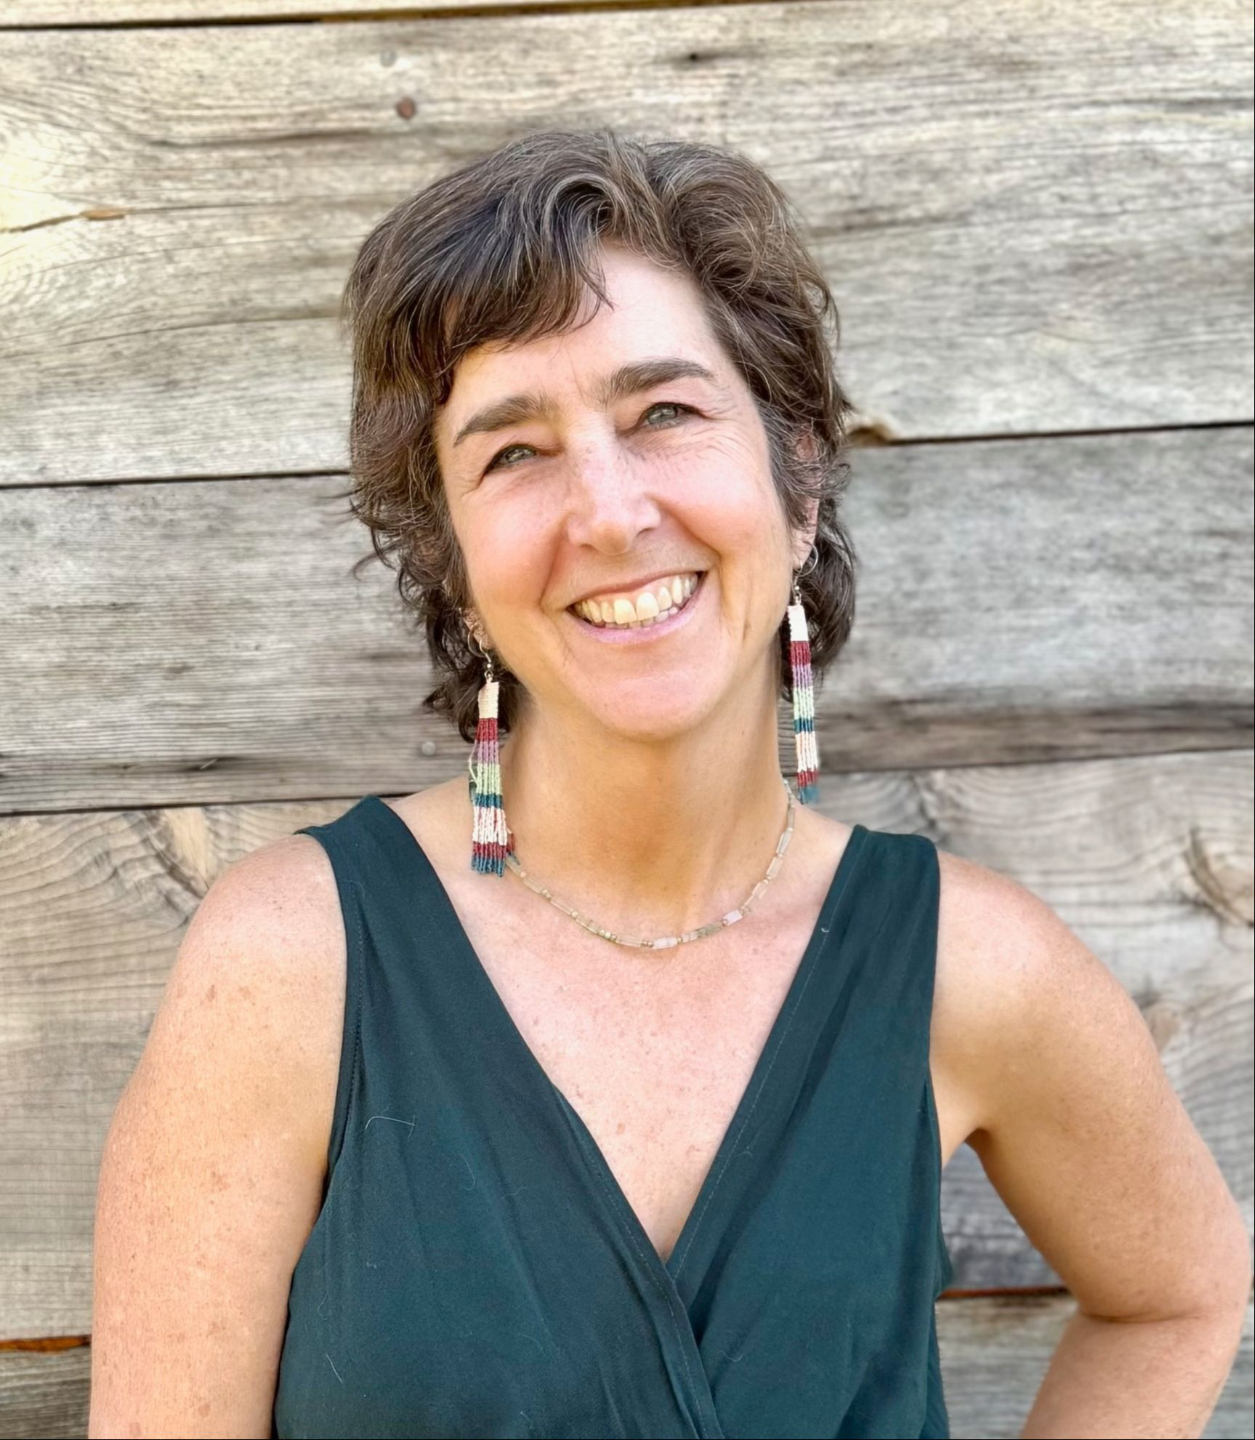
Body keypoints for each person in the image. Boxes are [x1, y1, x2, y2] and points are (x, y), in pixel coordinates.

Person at [89, 130, 1250, 1440]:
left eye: (664, 414)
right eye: (513, 451)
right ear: (453, 567)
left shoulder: (968, 970)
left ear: (798, 486)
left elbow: (1180, 1294)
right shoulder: (290, 968)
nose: (608, 511)